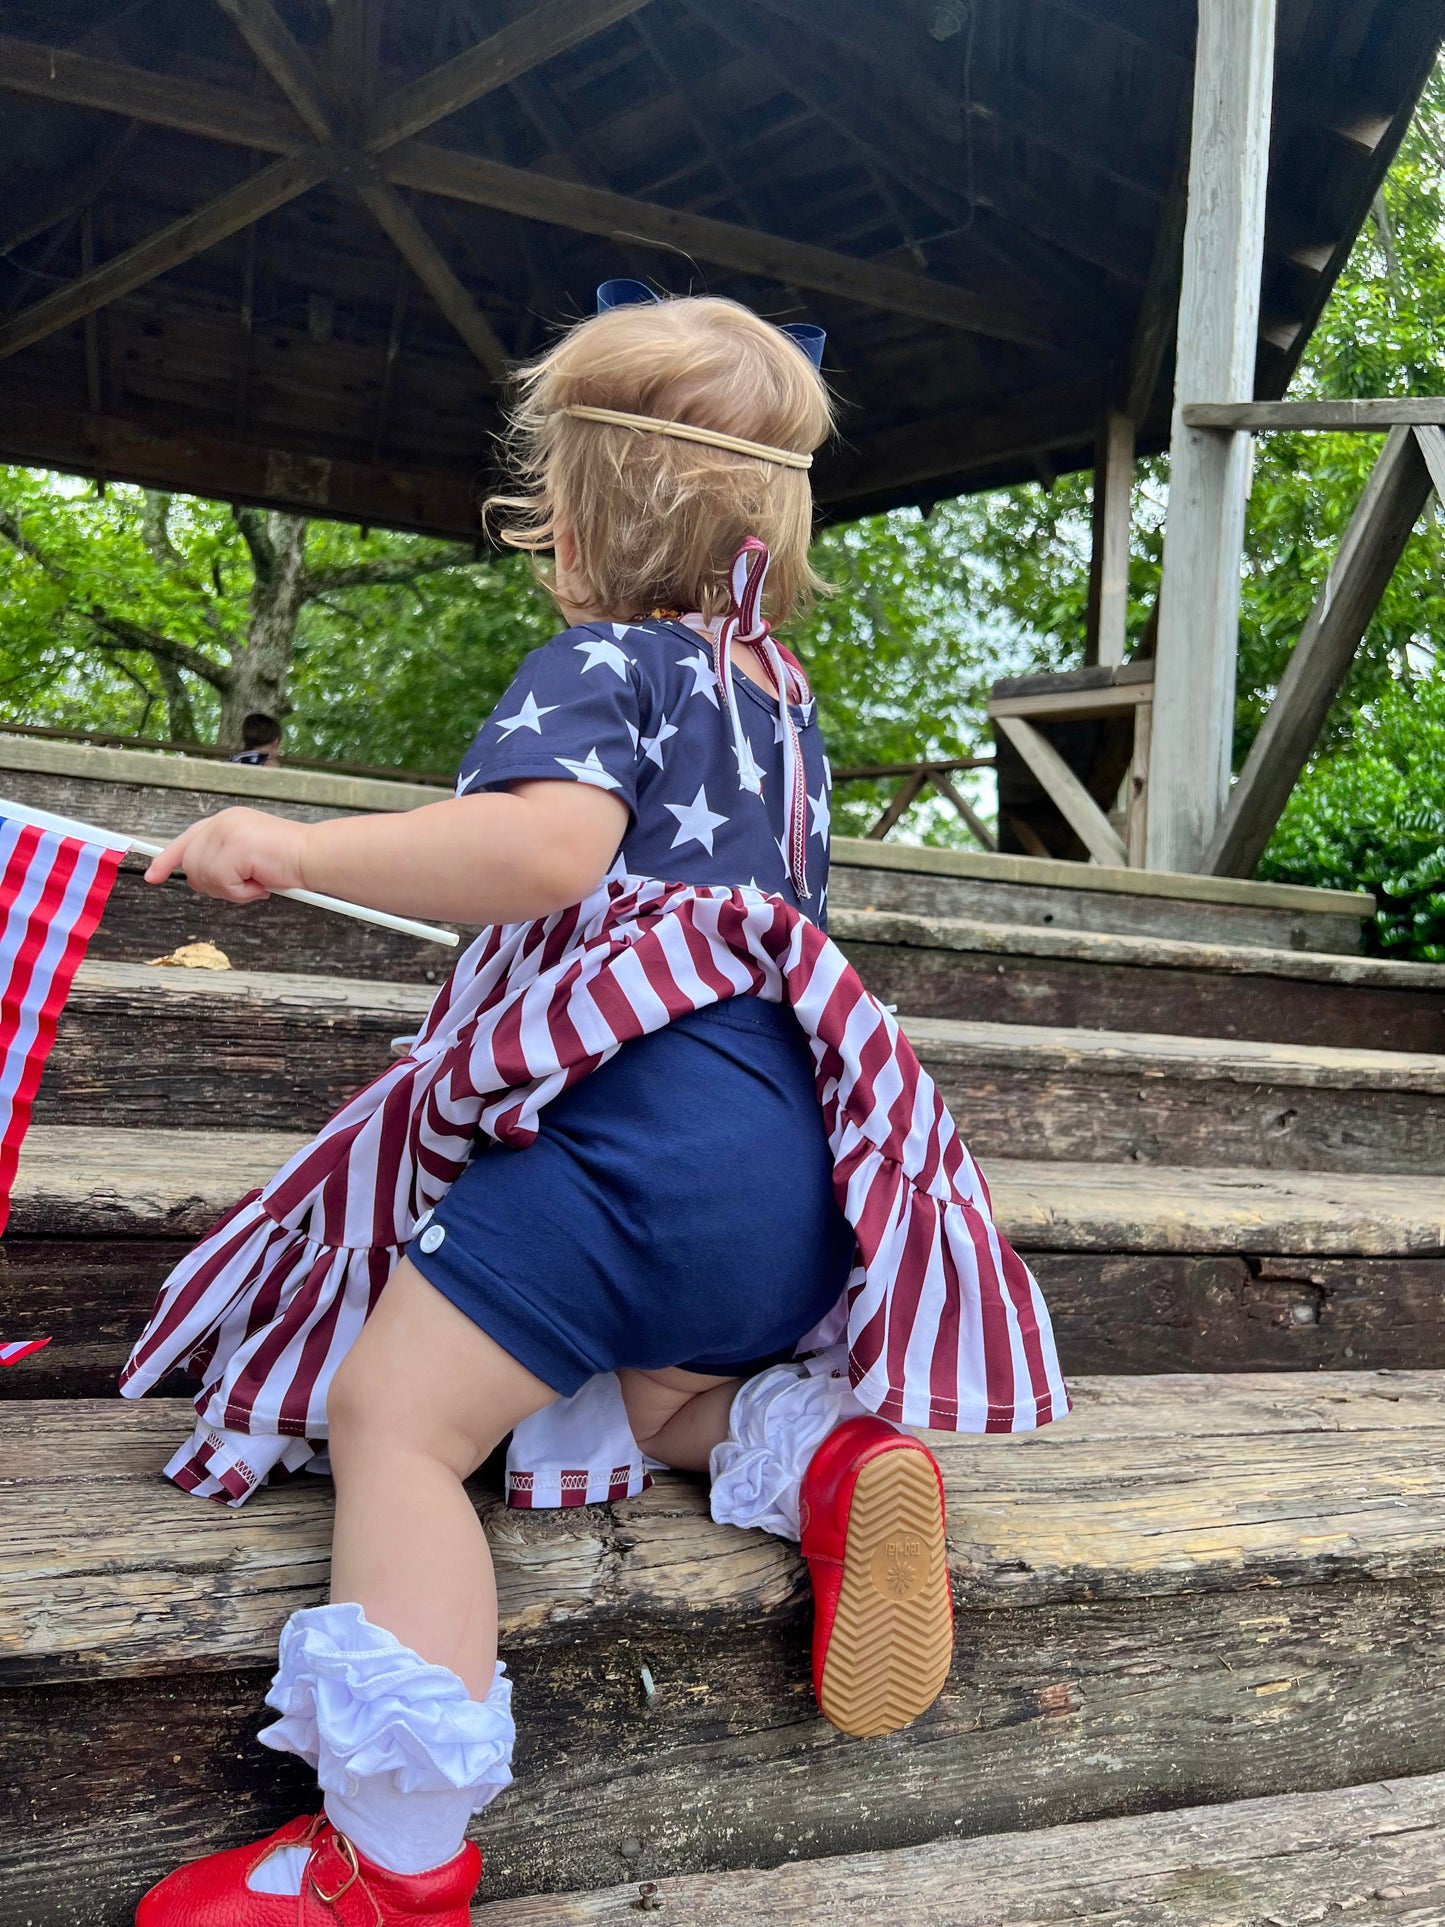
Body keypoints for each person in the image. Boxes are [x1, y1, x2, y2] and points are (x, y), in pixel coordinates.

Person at [131, 288, 1068, 1925]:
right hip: (786, 1170)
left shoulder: (603, 664)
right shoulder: (778, 708)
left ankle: (392, 1854)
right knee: (637, 1400)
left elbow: (540, 854)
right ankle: (818, 1448)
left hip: (632, 1152)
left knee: (398, 1421)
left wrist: (287, 845)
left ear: (573, 518)